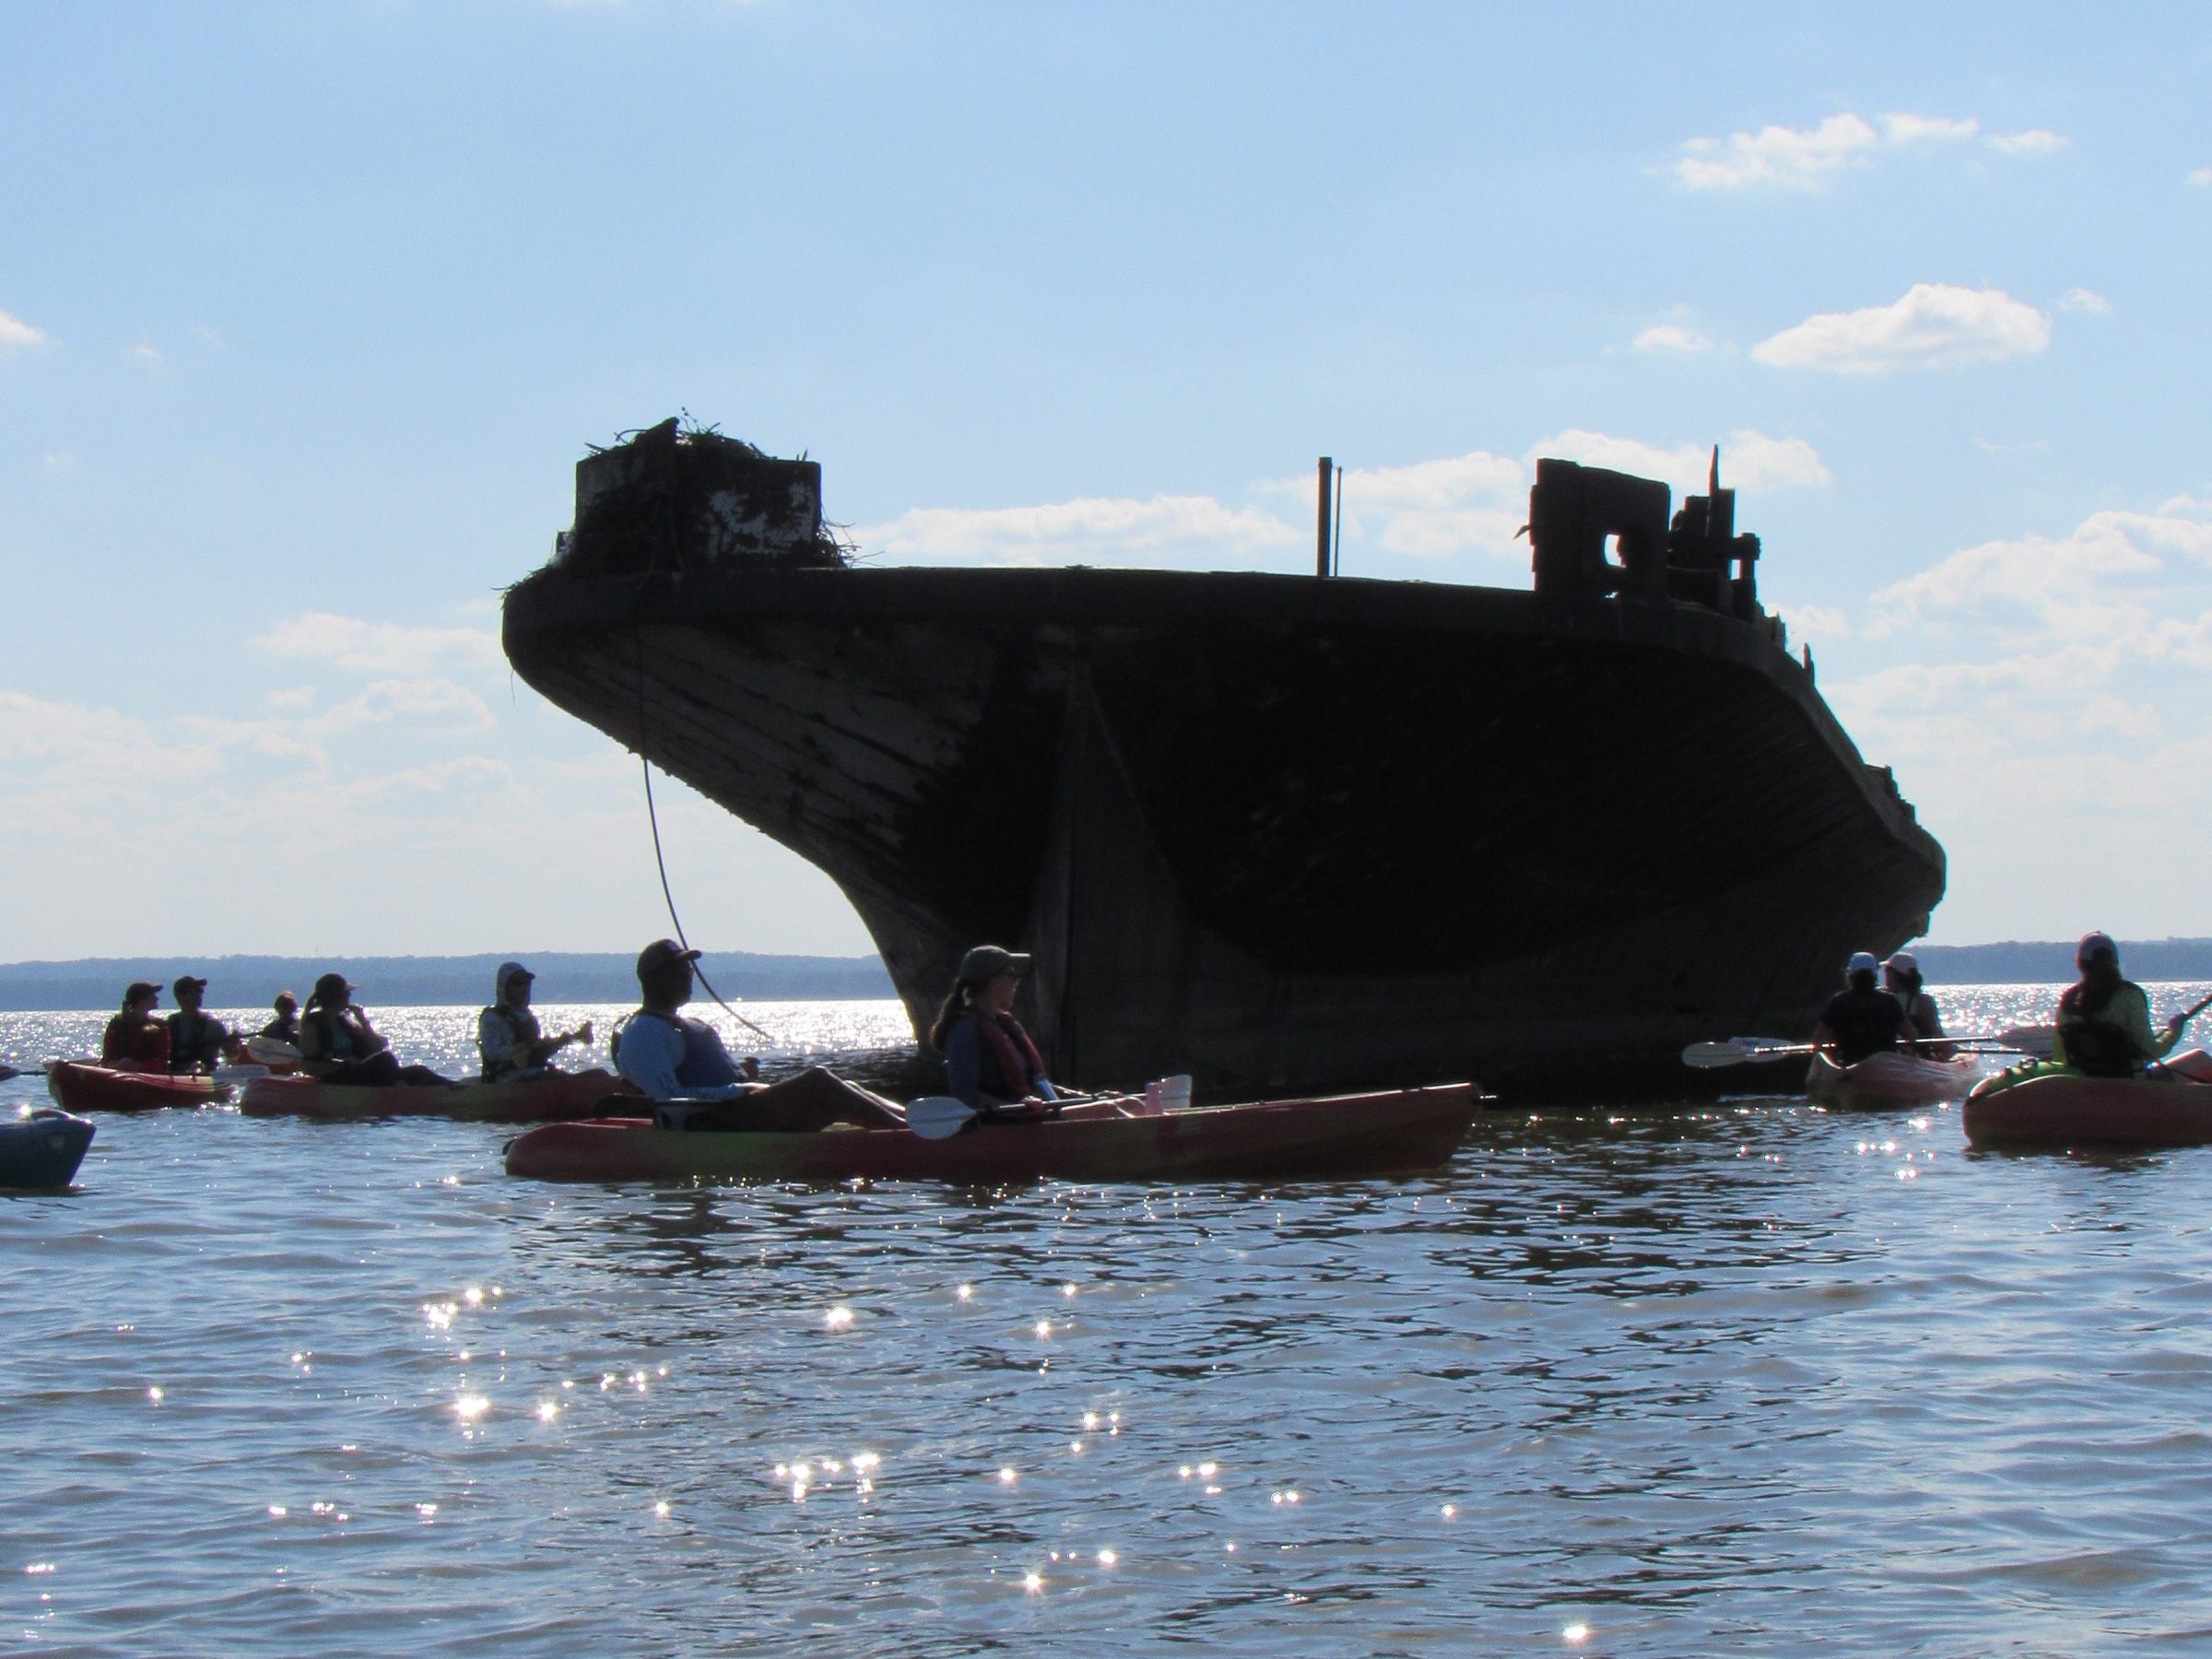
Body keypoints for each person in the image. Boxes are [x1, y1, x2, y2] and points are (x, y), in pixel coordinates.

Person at [612, 938, 899, 1130]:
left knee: (847, 1085)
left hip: (739, 1109)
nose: (690, 974)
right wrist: (738, 1090)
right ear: (658, 978)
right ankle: (909, 1136)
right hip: (716, 1124)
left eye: (688, 967)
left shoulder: (686, 1022)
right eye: (682, 968)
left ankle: (912, 1121)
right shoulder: (643, 1033)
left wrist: (742, 1079)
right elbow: (670, 1099)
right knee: (818, 1081)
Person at [927, 944, 1064, 1117]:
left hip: (1031, 1116)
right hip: (1006, 1123)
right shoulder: (965, 1030)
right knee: (1104, 1110)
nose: (1017, 981)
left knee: (1106, 1105)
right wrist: (1016, 1109)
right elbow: (966, 1095)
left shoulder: (1008, 1026)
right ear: (993, 982)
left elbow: (1038, 1083)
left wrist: (1088, 1097)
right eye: (1011, 975)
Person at [2053, 932, 2185, 1079]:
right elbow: (2150, 1052)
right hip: (2129, 1084)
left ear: (2080, 964)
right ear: (2114, 962)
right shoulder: (2129, 996)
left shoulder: (2067, 1002)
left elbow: (2060, 1058)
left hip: (2086, 1086)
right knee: (2199, 1058)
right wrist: (2174, 1032)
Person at [295, 972, 446, 1087]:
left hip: (360, 1074)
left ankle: (453, 1088)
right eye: (346, 993)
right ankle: (398, 1089)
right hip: (337, 1080)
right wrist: (344, 1064)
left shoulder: (345, 1022)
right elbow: (309, 1065)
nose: (349, 996)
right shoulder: (313, 1024)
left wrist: (362, 1020)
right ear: (335, 997)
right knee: (385, 1059)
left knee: (418, 1071)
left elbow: (377, 1047)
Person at [477, 962, 593, 1082]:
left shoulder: (527, 1016)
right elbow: (492, 1053)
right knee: (556, 1078)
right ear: (504, 986)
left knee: (598, 1074)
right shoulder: (492, 1018)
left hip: (536, 1074)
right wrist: (513, 1052)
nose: (524, 987)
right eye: (517, 984)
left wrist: (558, 1043)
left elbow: (536, 1054)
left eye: (526, 983)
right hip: (507, 1079)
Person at [1811, 950, 1912, 1067]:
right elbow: (1912, 1034)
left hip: (1851, 1069)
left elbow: (1819, 1038)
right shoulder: (1890, 1001)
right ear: (1874, 976)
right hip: (1886, 1069)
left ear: (1850, 975)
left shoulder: (1839, 1001)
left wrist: (1833, 1060)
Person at [1883, 951, 1952, 1061]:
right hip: (1918, 1054)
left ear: (1892, 974)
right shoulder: (1925, 1000)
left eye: (1886, 970)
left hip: (1894, 1055)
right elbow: (1937, 1035)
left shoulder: (1883, 999)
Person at [166, 975, 241, 1075]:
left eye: (200, 991)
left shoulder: (213, 1025)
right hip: (175, 1074)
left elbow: (231, 1055)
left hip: (206, 1074)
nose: (199, 995)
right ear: (180, 997)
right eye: (193, 992)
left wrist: (234, 1045)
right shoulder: (170, 1023)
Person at [100, 982, 171, 1071]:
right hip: (118, 1071)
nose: (156, 998)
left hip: (149, 1075)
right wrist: (116, 1065)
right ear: (141, 1000)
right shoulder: (117, 1024)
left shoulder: (160, 1025)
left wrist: (138, 1066)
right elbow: (107, 1057)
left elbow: (162, 1061)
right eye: (152, 995)